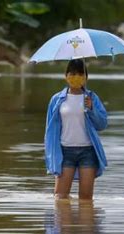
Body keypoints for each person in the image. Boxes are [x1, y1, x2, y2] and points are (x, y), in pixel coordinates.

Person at [44, 59, 107, 200]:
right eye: (72, 74)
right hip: (65, 151)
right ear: (66, 76)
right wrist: (51, 154)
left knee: (86, 199)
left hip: (88, 151)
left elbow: (102, 124)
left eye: (80, 74)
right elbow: (50, 130)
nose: (76, 77)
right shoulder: (57, 99)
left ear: (85, 78)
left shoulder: (91, 98)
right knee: (60, 197)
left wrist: (91, 109)